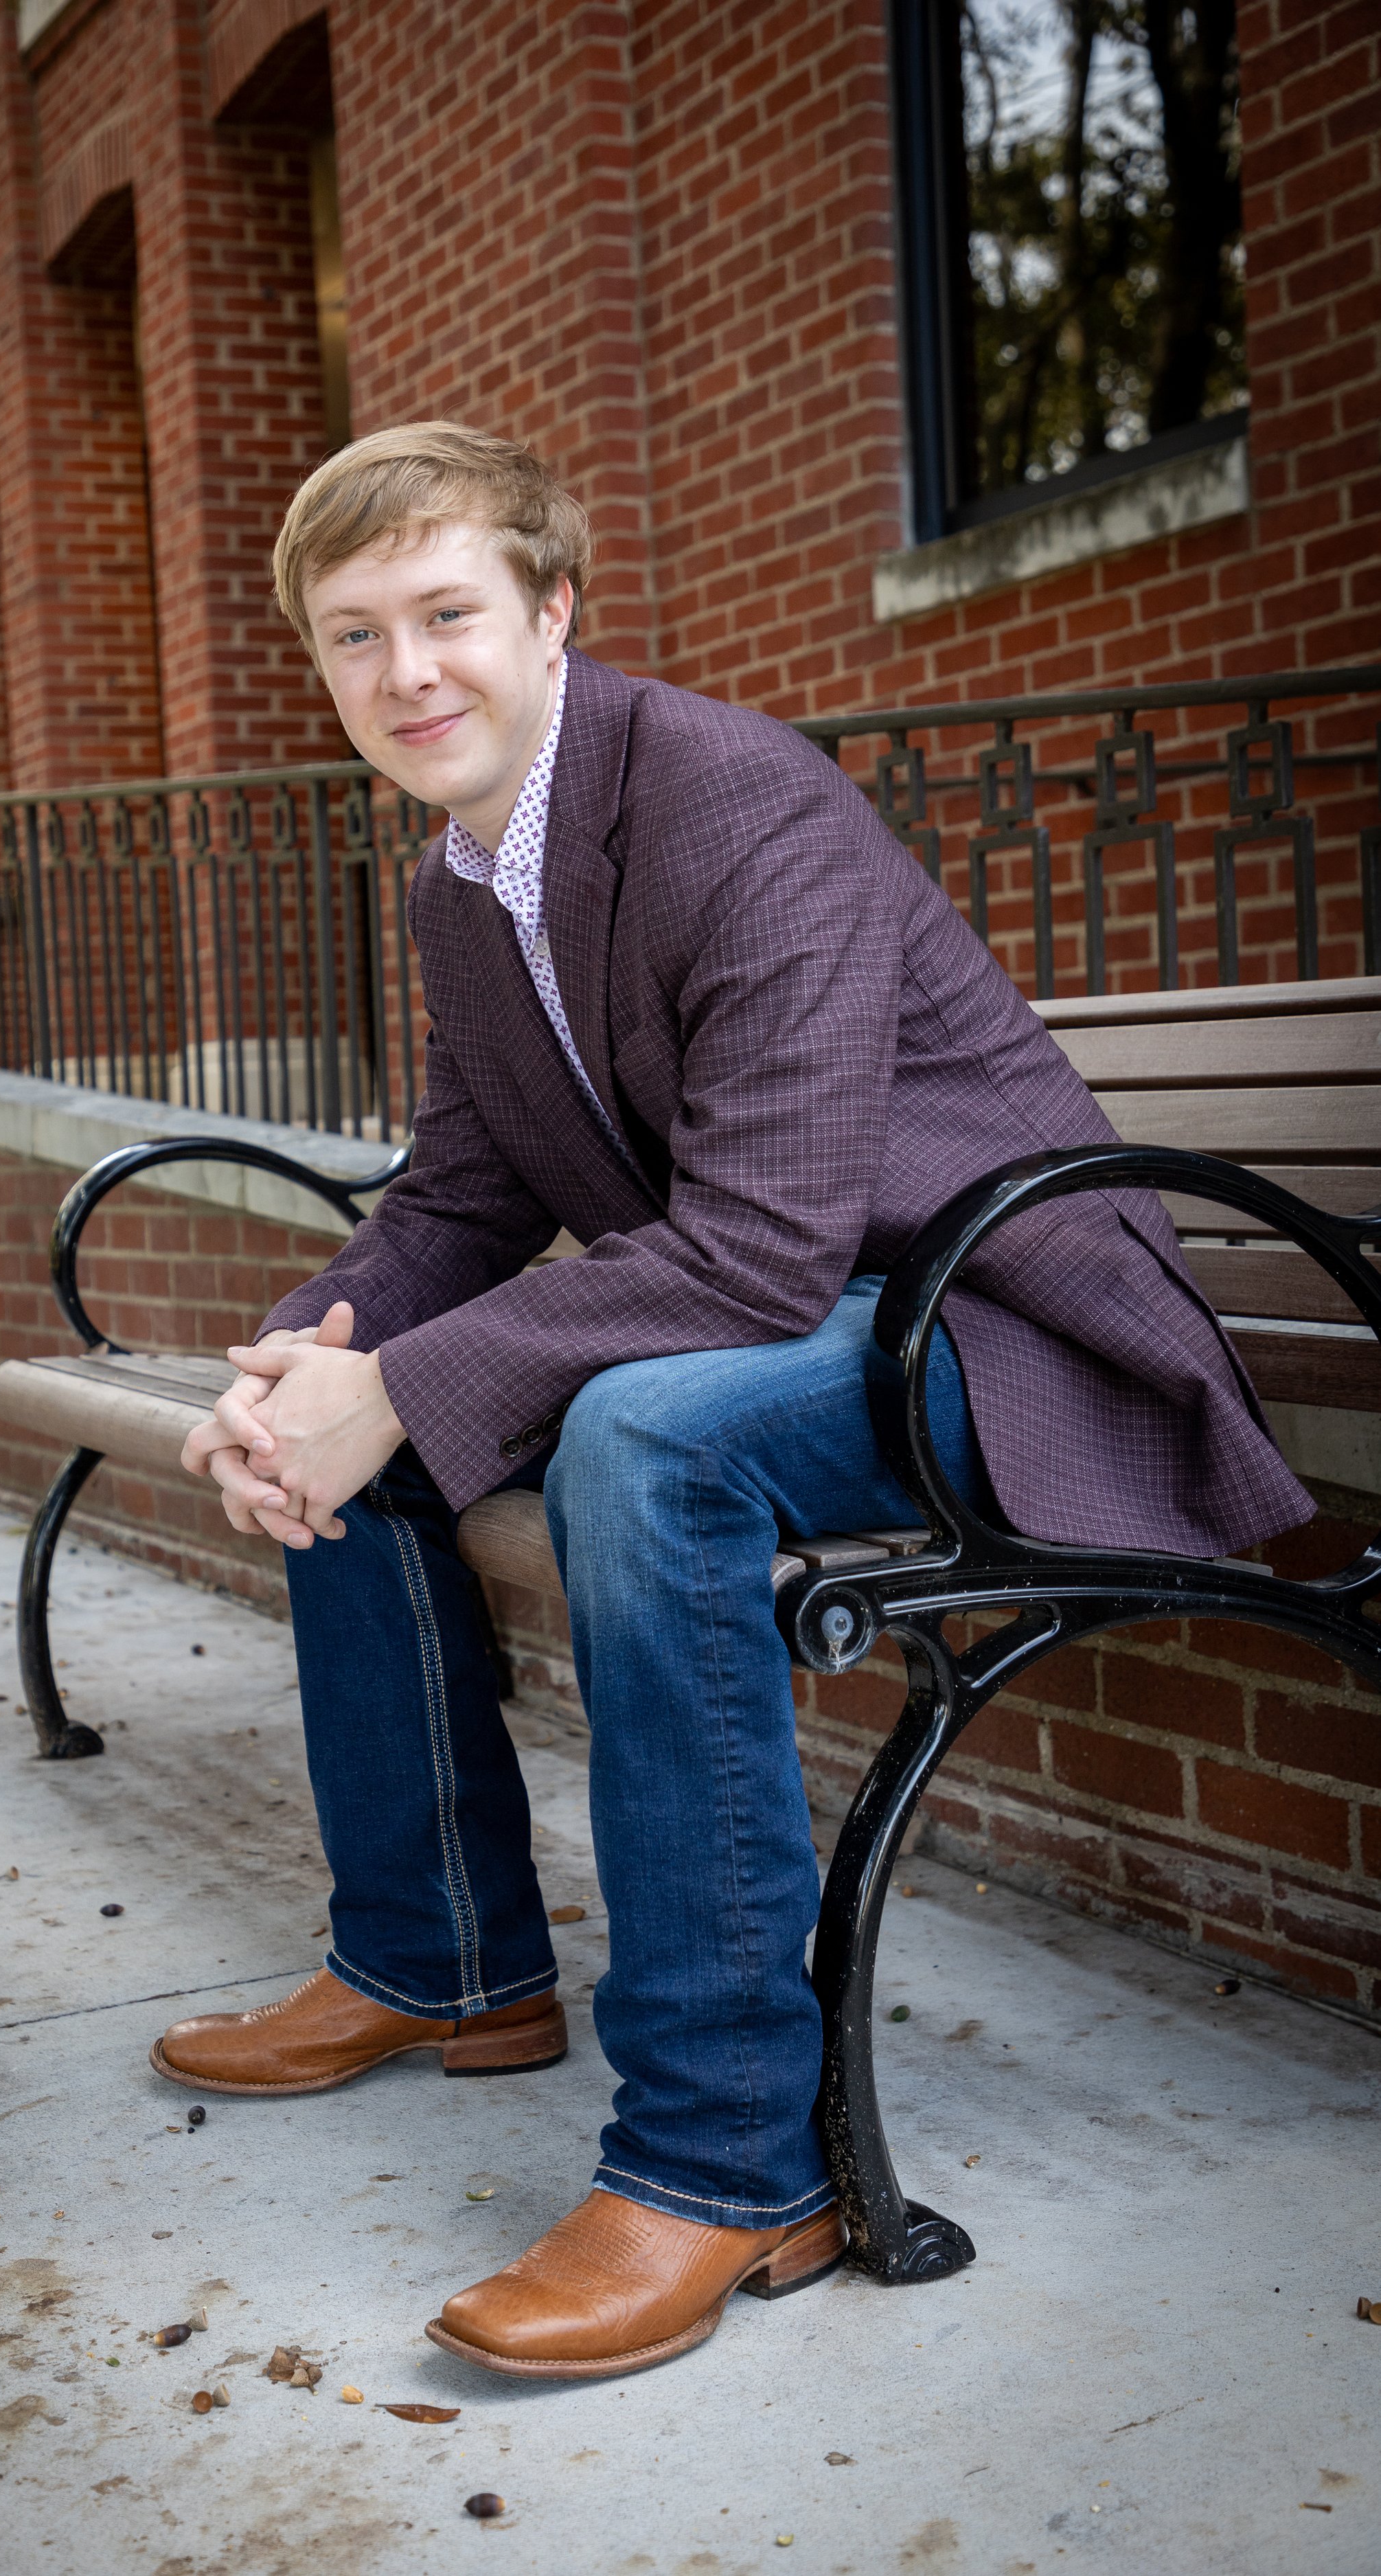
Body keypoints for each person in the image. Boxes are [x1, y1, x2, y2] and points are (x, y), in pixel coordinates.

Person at [151, 422, 1309, 2381]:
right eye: (356, 638)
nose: (407, 673)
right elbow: (459, 1198)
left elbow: (762, 1253)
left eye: (448, 615)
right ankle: (438, 1962)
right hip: (794, 1309)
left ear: (552, 615)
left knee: (638, 1431)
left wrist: (404, 1384)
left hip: (1000, 1322)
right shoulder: (459, 881)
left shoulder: (727, 803)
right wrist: (291, 1369)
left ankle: (723, 2160)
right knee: (371, 1419)